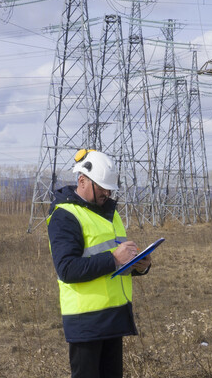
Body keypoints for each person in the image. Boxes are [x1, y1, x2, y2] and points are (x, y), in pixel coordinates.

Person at [47, 149, 151, 378]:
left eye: (109, 187)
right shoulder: (65, 215)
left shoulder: (109, 213)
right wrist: (114, 258)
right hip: (86, 323)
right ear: (81, 180)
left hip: (113, 317)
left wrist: (138, 265)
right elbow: (67, 269)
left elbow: (115, 262)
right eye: (102, 187)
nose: (107, 192)